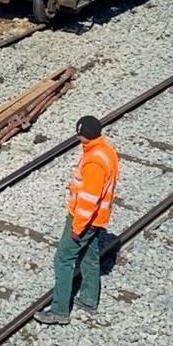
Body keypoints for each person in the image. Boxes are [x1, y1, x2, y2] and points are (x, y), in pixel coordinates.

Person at [34, 115, 120, 326]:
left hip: (84, 219)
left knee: (63, 259)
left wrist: (77, 227)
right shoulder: (106, 151)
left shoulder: (94, 162)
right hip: (98, 220)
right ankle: (90, 300)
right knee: (89, 256)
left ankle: (59, 310)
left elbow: (89, 200)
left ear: (84, 136)